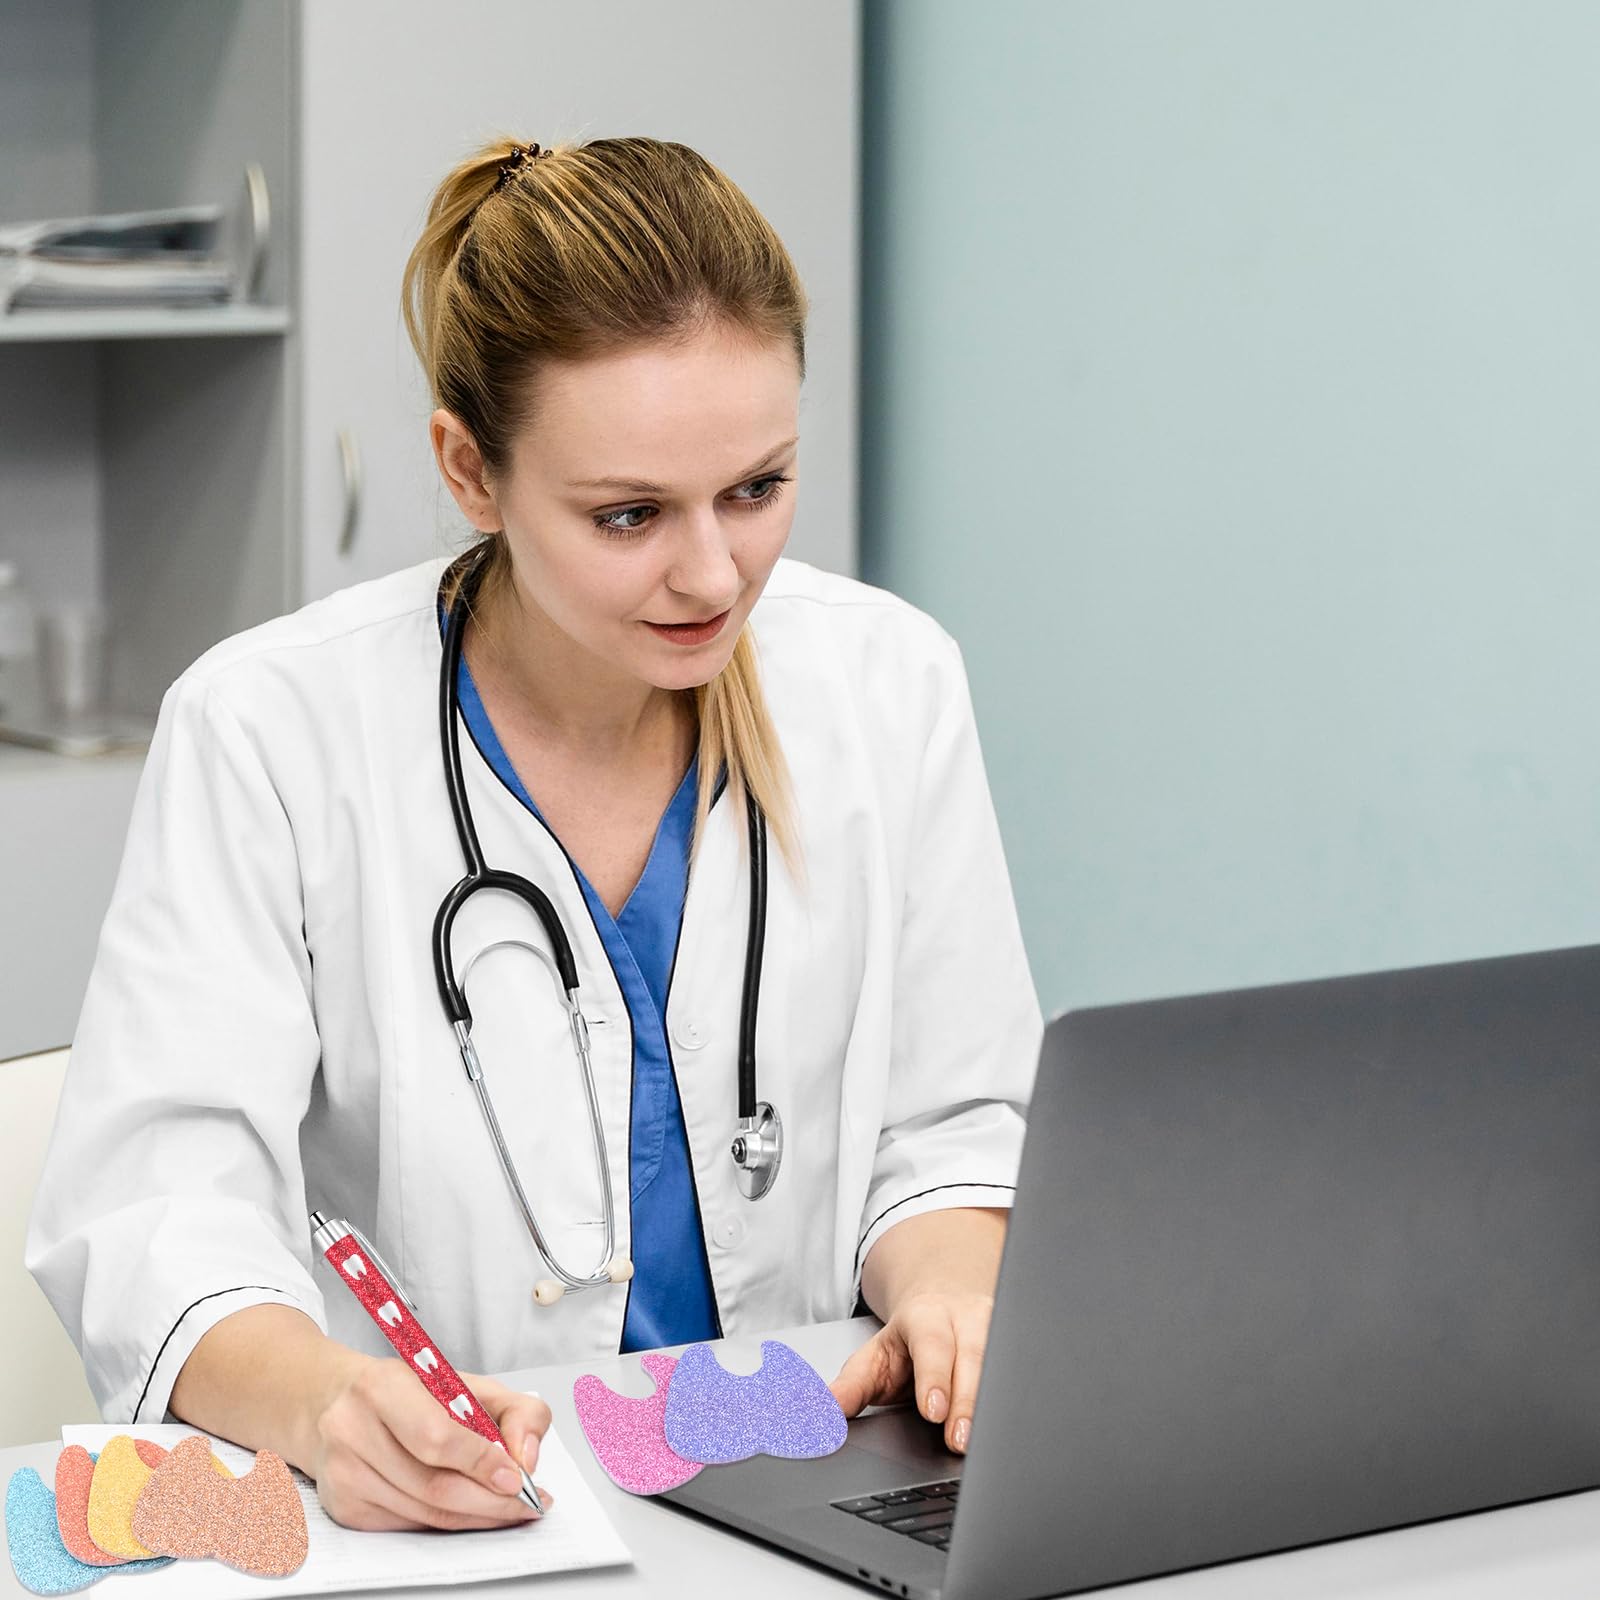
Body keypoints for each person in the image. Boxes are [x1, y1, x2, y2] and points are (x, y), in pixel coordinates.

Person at [25, 135, 1041, 1533]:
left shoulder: (887, 684)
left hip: (815, 1508)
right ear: (469, 470)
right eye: (628, 514)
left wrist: (948, 1289)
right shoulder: (272, 730)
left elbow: (949, 1129)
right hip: (457, 1531)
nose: (712, 572)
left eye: (756, 489)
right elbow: (157, 1216)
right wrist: (327, 1406)